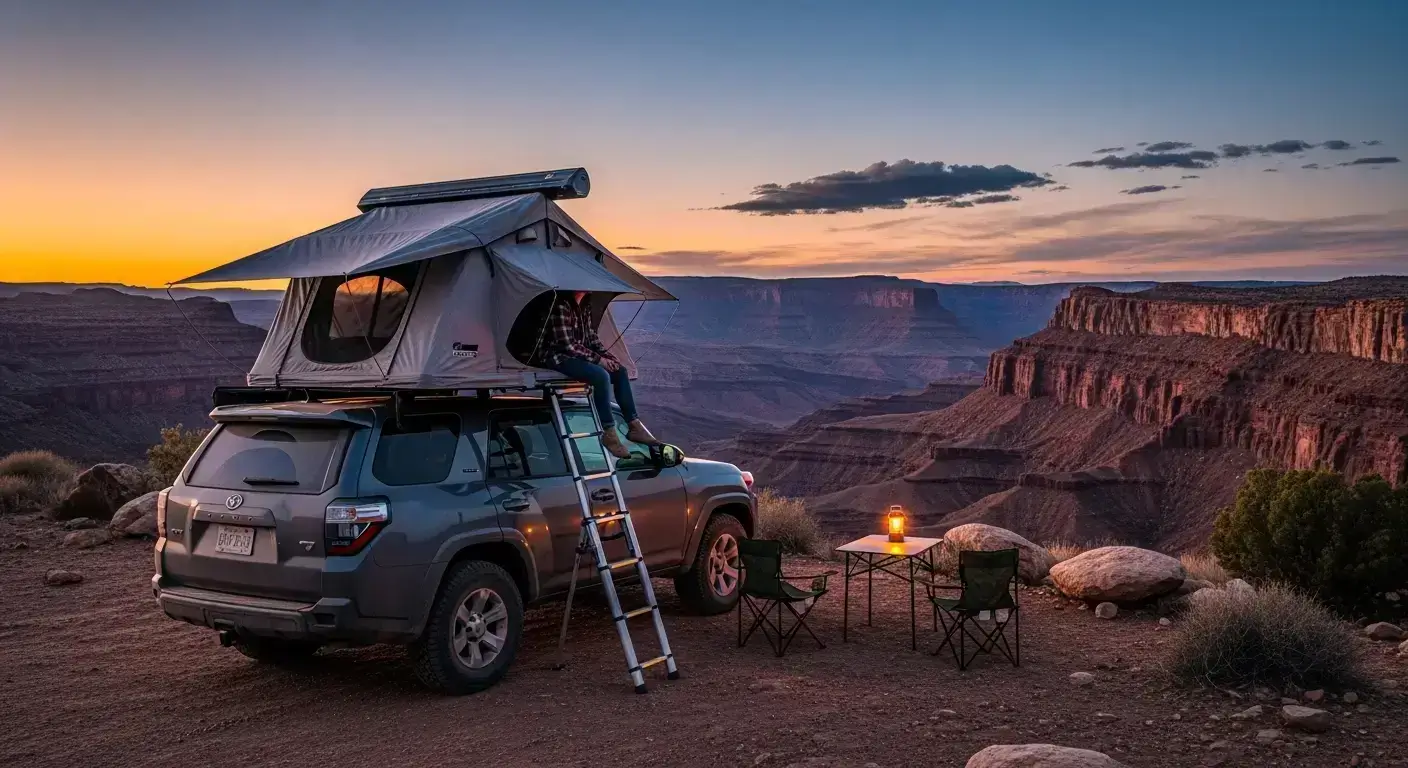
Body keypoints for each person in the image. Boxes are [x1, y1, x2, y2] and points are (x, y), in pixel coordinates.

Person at [530, 290, 661, 459]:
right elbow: (567, 346)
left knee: (620, 372)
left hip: (578, 356)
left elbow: (592, 339)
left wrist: (610, 359)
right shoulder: (561, 305)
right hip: (557, 357)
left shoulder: (584, 305)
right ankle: (609, 432)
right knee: (601, 376)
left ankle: (634, 425)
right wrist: (599, 361)